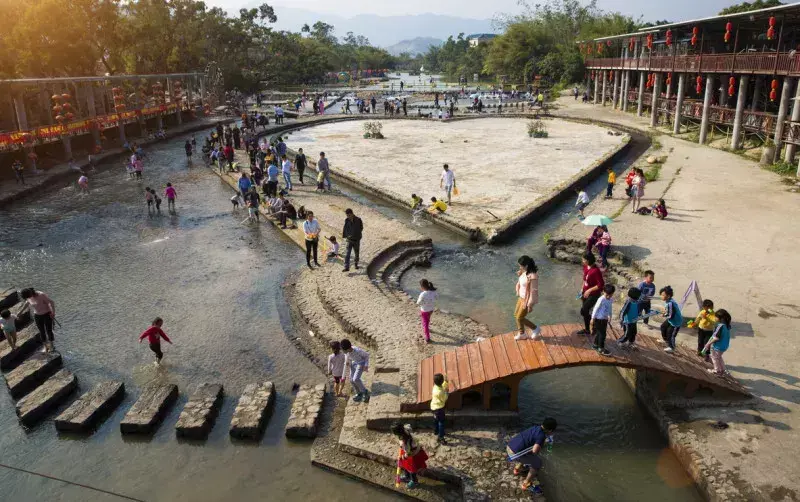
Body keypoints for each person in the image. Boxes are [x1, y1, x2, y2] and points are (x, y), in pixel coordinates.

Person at [507, 418, 557, 494]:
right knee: (537, 463)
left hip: (509, 446)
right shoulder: (541, 436)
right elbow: (534, 451)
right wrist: (542, 444)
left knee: (526, 451)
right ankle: (526, 484)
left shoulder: (535, 427)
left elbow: (529, 441)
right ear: (550, 430)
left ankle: (517, 469)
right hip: (515, 454)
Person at [392, 422, 428, 489]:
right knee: (405, 465)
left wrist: (402, 457)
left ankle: (414, 481)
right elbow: (409, 426)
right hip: (411, 450)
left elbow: (409, 453)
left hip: (413, 454)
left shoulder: (405, 442)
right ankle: (407, 476)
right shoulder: (406, 429)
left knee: (412, 469)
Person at [514, 255, 541, 340]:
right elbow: (520, 281)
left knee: (519, 317)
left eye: (521, 265)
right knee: (516, 315)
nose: (520, 267)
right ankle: (522, 334)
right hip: (521, 297)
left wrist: (530, 305)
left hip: (527, 300)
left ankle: (535, 329)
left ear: (526, 266)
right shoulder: (523, 271)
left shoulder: (533, 276)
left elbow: (534, 291)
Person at [20, 288, 56, 352]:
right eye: (27, 297)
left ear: (31, 293)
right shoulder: (28, 297)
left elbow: (51, 302)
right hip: (37, 315)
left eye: (29, 296)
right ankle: (45, 347)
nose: (29, 298)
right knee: (41, 331)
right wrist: (20, 312)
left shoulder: (41, 295)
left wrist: (53, 312)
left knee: (49, 330)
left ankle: (52, 346)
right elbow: (27, 303)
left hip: (47, 314)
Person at [578, 253, 604, 335]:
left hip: (594, 294)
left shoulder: (596, 271)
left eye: (583, 260)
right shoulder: (585, 267)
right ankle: (587, 329)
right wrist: (581, 289)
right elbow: (584, 280)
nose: (582, 261)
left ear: (588, 260)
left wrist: (589, 290)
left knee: (584, 310)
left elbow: (601, 285)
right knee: (584, 312)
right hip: (585, 293)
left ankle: (594, 325)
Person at [702, 309, 732, 376]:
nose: (715, 318)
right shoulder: (727, 325)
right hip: (724, 346)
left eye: (716, 317)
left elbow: (716, 338)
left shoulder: (720, 326)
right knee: (719, 357)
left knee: (714, 357)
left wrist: (708, 344)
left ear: (720, 318)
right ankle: (723, 370)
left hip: (718, 346)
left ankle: (717, 370)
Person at [590, 284, 616, 356]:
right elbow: (595, 308)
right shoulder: (601, 299)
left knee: (599, 333)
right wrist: (592, 318)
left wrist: (610, 315)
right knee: (603, 334)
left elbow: (610, 308)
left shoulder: (610, 299)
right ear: (603, 292)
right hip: (598, 319)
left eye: (610, 295)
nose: (608, 296)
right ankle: (601, 348)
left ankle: (595, 345)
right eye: (607, 295)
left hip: (604, 319)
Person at [659, 286, 683, 353]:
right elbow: (669, 311)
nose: (661, 296)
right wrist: (665, 312)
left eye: (663, 295)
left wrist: (664, 315)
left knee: (671, 334)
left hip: (676, 322)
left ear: (668, 296)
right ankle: (666, 340)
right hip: (671, 320)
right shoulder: (668, 301)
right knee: (663, 327)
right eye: (661, 294)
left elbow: (670, 315)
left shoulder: (670, 303)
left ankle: (672, 347)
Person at [417, 279, 437, 343]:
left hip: (424, 310)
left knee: (425, 323)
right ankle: (427, 328)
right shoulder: (433, 292)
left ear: (422, 287)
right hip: (431, 309)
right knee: (427, 319)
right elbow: (436, 297)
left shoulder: (422, 294)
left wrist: (423, 302)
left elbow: (418, 303)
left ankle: (427, 338)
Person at [430, 373, 448, 443]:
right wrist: (447, 393)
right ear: (442, 380)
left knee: (436, 420)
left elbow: (441, 386)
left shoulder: (435, 387)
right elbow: (444, 399)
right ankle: (441, 437)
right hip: (439, 409)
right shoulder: (440, 392)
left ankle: (436, 431)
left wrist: (445, 382)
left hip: (433, 407)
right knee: (441, 422)